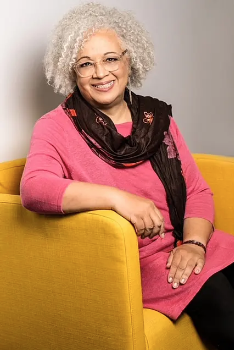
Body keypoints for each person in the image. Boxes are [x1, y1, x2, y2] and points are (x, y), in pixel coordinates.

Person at [20, 3, 234, 349]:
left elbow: (196, 191)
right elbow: (34, 189)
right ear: (71, 71)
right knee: (222, 303)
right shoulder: (55, 127)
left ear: (128, 60)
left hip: (188, 242)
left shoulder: (156, 118)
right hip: (138, 264)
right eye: (85, 64)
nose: (100, 73)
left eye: (110, 59)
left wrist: (194, 245)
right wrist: (117, 198)